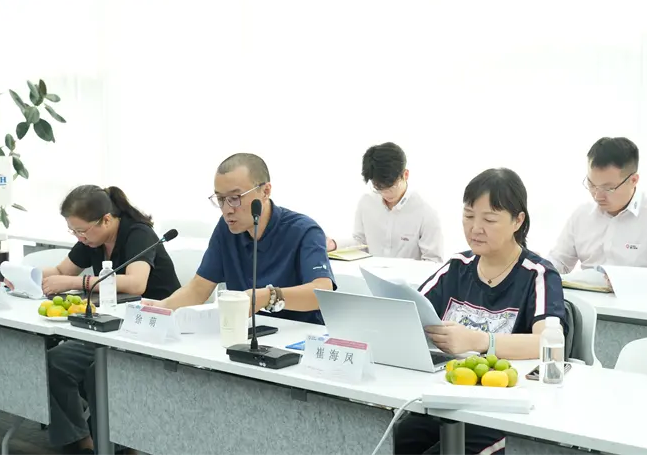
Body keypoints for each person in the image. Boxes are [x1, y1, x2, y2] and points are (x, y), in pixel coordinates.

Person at [393, 168, 566, 455]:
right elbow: (407, 311)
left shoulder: (537, 275)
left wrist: (480, 341)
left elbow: (549, 344)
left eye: (489, 219)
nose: (475, 228)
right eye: (468, 216)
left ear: (518, 220)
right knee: (404, 434)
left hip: (503, 411)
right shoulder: (456, 267)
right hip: (449, 396)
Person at [30, 185, 181, 455]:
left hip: (150, 331)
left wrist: (78, 282)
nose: (79, 238)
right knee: (55, 361)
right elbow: (62, 270)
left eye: (82, 231)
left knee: (99, 372)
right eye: (73, 232)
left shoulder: (138, 234)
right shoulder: (92, 240)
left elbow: (136, 283)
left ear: (106, 220)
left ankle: (118, 447)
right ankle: (80, 442)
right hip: (108, 328)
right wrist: (27, 276)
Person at [149, 153, 336, 324]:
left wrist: (268, 296)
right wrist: (160, 307)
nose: (227, 210)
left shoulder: (304, 230)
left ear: (265, 191)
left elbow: (322, 291)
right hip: (245, 333)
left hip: (299, 336)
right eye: (220, 199)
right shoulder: (226, 229)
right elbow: (198, 289)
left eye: (235, 198)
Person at [547, 137, 647, 278]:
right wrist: (538, 266)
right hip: (585, 291)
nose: (597, 196)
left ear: (633, 180)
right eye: (591, 184)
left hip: (635, 292)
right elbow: (559, 261)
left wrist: (627, 278)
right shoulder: (581, 216)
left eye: (608, 188)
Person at [326, 142, 444, 262]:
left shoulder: (425, 213)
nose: (386, 193)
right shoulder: (367, 203)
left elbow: (433, 262)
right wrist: (334, 245)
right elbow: (360, 243)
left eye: (391, 186)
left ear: (405, 175)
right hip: (369, 273)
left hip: (408, 275)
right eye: (378, 188)